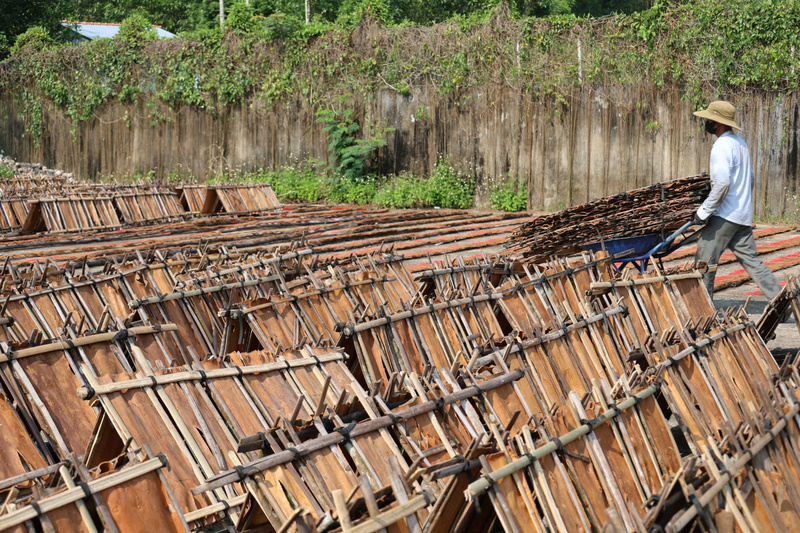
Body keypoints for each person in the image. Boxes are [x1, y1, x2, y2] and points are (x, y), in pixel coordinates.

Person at [692, 100, 782, 300]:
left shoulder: (721, 146)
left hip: (725, 215)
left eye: (709, 119)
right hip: (742, 215)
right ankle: (782, 299)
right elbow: (750, 178)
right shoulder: (740, 143)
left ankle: (702, 307)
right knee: (752, 261)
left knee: (705, 260)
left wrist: (704, 211)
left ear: (717, 123)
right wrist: (742, 203)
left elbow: (722, 183)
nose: (707, 122)